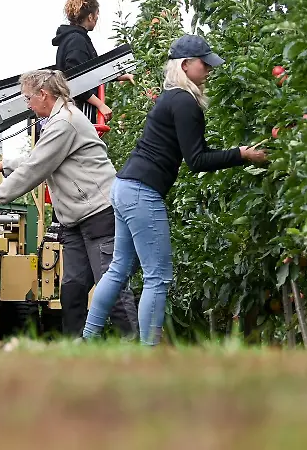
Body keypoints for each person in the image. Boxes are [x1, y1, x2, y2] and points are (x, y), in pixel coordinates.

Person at [82, 35, 268, 346]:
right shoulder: (184, 101)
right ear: (185, 65)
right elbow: (197, 160)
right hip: (142, 192)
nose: (208, 69)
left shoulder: (170, 98)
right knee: (158, 276)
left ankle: (87, 338)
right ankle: (149, 350)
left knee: (119, 268)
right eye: (204, 63)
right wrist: (242, 154)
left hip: (125, 186)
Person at [0, 70, 138, 338]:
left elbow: (36, 167)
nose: (27, 104)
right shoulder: (57, 121)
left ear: (43, 95)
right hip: (75, 221)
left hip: (99, 214)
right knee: (72, 289)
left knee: (111, 286)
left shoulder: (65, 122)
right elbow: (39, 157)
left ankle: (135, 349)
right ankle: (74, 350)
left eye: (27, 99)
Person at [52, 0, 133, 124]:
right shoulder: (77, 41)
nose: (97, 19)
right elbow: (75, 80)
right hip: (77, 113)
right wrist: (100, 104)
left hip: (73, 111)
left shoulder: (73, 39)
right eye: (97, 15)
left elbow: (92, 72)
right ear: (90, 16)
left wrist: (121, 76)